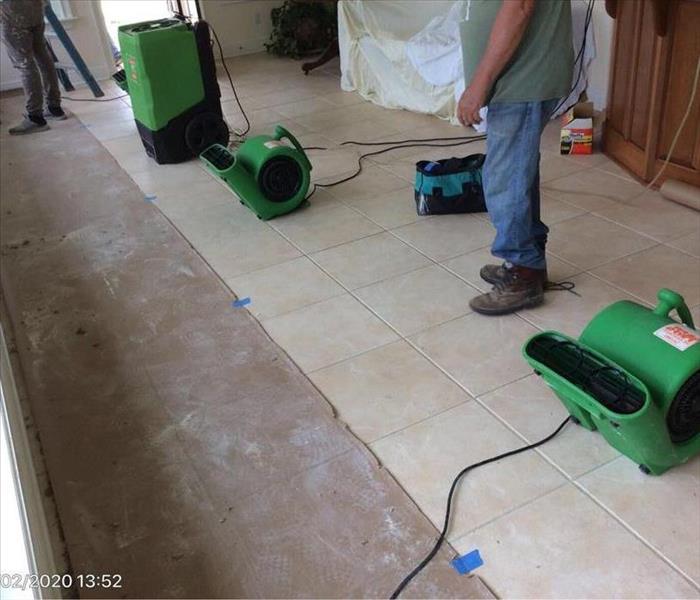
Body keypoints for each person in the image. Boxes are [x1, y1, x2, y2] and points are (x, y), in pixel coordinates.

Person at [457, 0, 573, 315]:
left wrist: (479, 85)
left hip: (524, 76)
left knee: (504, 178)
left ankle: (524, 272)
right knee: (518, 173)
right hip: (517, 77)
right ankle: (526, 261)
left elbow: (519, 7)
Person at [1, 0, 67, 135]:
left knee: (25, 65)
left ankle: (35, 117)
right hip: (36, 7)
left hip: (13, 10)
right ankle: (55, 107)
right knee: (43, 57)